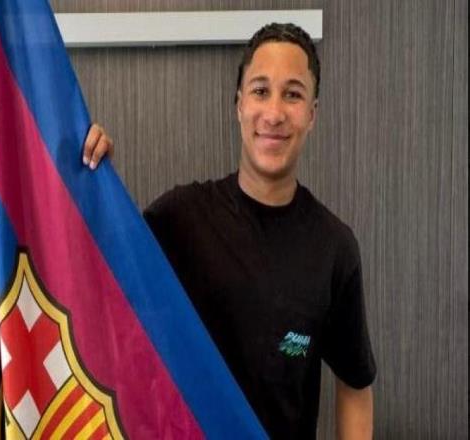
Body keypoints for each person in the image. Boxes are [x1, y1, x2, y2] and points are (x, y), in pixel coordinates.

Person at [83, 23, 376, 439]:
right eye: (260, 91)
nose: (274, 113)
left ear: (312, 114)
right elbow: (95, 279)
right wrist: (84, 174)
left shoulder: (334, 248)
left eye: (293, 94)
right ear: (239, 104)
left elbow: (356, 384)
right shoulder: (178, 219)